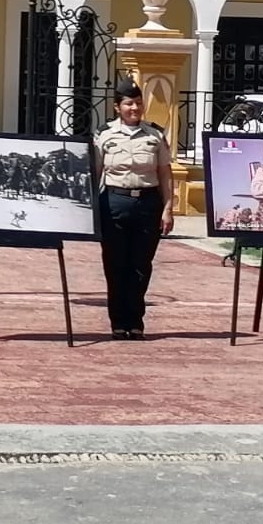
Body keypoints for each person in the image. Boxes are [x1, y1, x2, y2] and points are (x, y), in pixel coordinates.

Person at [93, 79, 174, 340]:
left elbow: (164, 173)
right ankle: (118, 321)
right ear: (118, 107)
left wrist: (168, 208)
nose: (134, 108)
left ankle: (136, 321)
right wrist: (90, 209)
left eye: (138, 103)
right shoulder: (104, 134)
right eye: (129, 104)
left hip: (147, 204)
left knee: (141, 265)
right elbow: (95, 173)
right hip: (114, 202)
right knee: (115, 264)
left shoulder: (155, 134)